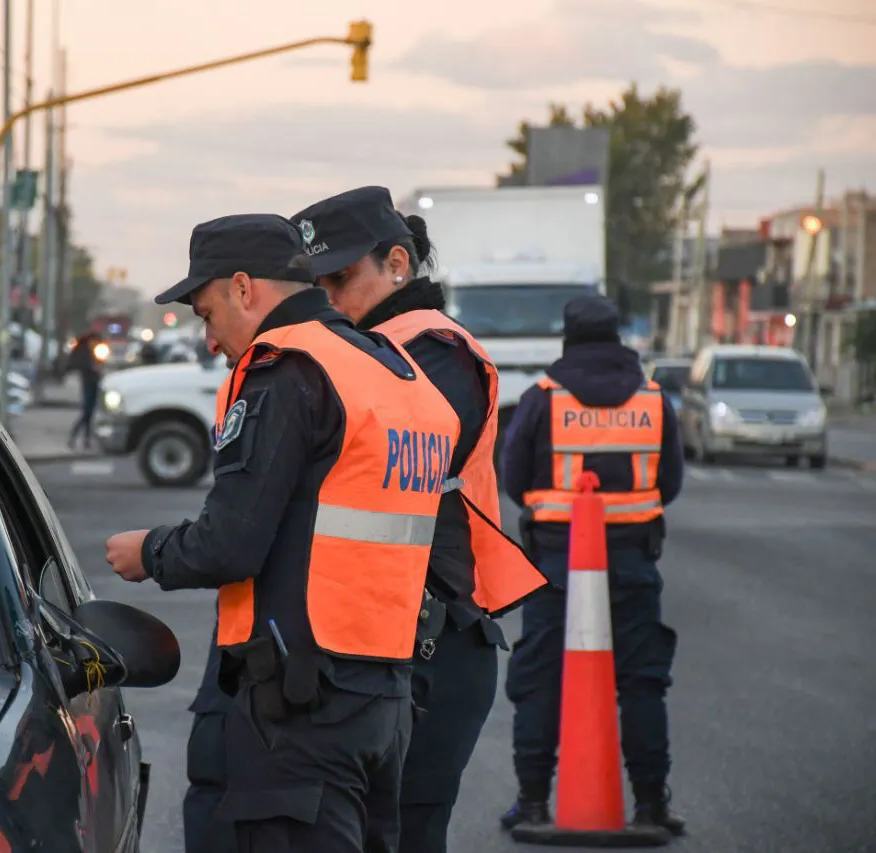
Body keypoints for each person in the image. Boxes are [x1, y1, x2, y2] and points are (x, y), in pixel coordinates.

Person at [104, 213, 460, 853]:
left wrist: (148, 552)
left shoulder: (288, 369)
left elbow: (230, 544)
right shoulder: (394, 371)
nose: (210, 340)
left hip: (304, 707)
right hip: (386, 695)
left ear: (244, 288)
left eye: (207, 314)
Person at [290, 186, 548, 852]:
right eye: (315, 284)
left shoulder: (435, 349)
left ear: (398, 263)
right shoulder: (359, 345)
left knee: (403, 833)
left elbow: (363, 455)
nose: (327, 297)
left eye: (341, 278)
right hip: (381, 640)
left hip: (436, 644)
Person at [499, 294, 686, 835]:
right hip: (632, 562)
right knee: (642, 682)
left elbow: (514, 476)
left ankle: (533, 801)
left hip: (557, 562)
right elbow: (670, 482)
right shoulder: (653, 400)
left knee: (540, 678)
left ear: (569, 338)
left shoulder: (542, 398)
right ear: (618, 336)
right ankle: (650, 805)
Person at [66, 330, 105, 450]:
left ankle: (85, 440)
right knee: (87, 412)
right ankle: (74, 436)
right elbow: (80, 364)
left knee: (89, 413)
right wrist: (93, 368)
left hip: (93, 381)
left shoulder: (92, 350)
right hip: (88, 382)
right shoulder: (83, 349)